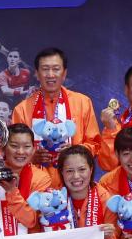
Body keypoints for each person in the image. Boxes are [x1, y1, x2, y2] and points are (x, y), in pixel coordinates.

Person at [12, 47, 101, 188]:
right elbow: (13, 151)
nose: (50, 74)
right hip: (36, 187)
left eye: (56, 69)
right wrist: (32, 156)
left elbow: (95, 144)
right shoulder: (22, 109)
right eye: (45, 69)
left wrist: (73, 151)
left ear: (64, 73)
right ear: (36, 73)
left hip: (75, 183)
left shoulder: (82, 102)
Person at [56, 145, 119, 239]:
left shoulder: (106, 200)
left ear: (91, 170)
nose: (76, 176)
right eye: (69, 171)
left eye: (82, 169)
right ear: (61, 172)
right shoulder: (53, 201)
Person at [0, 123, 52, 237]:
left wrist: (11, 192)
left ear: (34, 149)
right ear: (3, 148)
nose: (20, 152)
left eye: (26, 146)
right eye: (14, 146)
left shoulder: (41, 178)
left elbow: (31, 221)